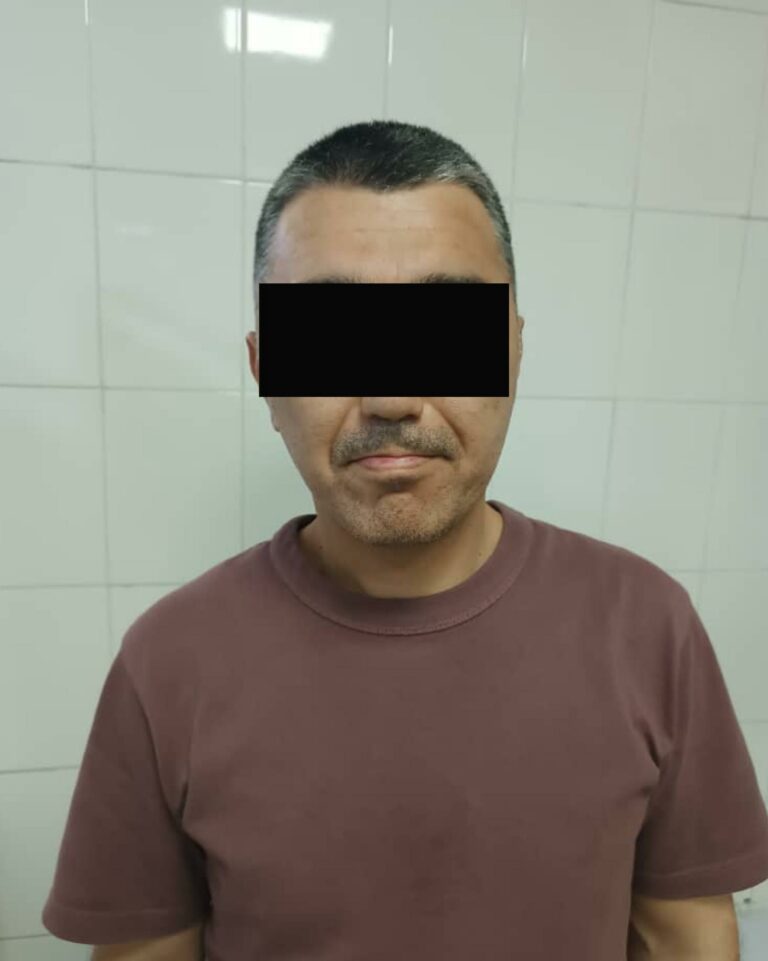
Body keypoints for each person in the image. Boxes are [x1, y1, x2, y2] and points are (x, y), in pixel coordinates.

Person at [42, 120, 768, 961]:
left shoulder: (646, 626)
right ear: (264, 370)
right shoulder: (168, 664)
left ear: (514, 351)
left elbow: (690, 936)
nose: (391, 395)